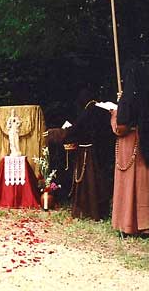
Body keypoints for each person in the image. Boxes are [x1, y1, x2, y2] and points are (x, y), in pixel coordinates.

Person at [45, 88, 112, 220]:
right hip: (100, 151)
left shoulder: (89, 111)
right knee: (98, 180)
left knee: (89, 181)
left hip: (88, 152)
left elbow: (76, 130)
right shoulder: (100, 110)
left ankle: (89, 210)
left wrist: (55, 133)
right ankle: (100, 210)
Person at [110, 60, 149, 236]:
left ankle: (127, 224)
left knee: (128, 183)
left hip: (130, 144)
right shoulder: (148, 95)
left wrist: (115, 110)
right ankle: (145, 225)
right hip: (145, 142)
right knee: (142, 184)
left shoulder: (128, 97)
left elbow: (120, 127)